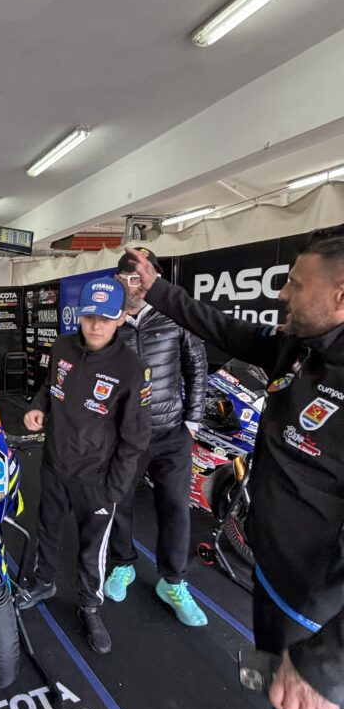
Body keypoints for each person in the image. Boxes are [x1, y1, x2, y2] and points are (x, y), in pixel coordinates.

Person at [125, 227, 344, 709]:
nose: (283, 294)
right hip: (277, 578)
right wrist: (156, 289)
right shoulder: (301, 348)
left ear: (341, 296)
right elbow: (220, 326)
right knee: (283, 700)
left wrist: (329, 662)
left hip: (327, 619)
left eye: (296, 284)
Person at [20, 276, 151, 654]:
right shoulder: (62, 346)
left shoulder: (131, 368)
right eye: (90, 316)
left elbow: (136, 438)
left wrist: (114, 489)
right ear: (79, 315)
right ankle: (43, 582)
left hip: (96, 478)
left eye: (106, 318)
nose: (96, 325)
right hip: (54, 464)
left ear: (122, 318)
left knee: (92, 549)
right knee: (47, 529)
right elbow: (49, 388)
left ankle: (90, 606)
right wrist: (37, 407)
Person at [104, 248, 209, 627]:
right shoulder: (107, 321)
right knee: (118, 503)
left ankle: (173, 582)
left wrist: (192, 422)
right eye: (125, 279)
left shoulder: (176, 317)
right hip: (123, 435)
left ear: (154, 280)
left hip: (171, 432)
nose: (132, 286)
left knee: (175, 507)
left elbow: (197, 368)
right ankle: (122, 565)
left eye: (139, 278)